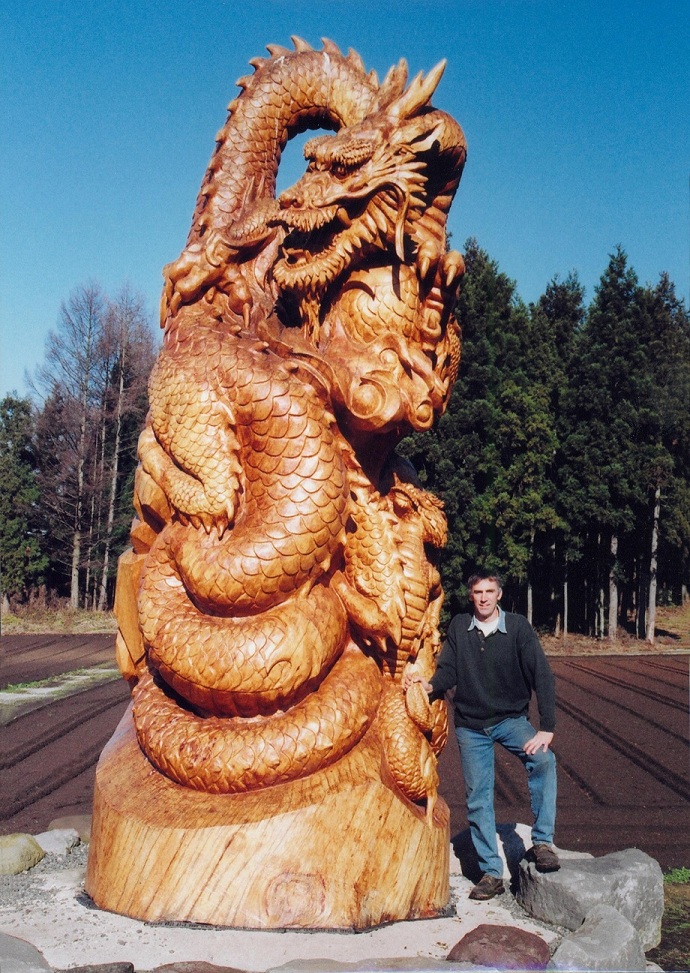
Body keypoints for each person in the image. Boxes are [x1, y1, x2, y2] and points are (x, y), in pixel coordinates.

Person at [403, 569, 560, 901]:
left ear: (499, 594)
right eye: (478, 592)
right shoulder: (461, 626)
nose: (484, 597)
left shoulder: (517, 628)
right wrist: (429, 686)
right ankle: (491, 872)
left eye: (490, 591)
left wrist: (546, 727)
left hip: (510, 720)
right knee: (478, 798)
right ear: (471, 596)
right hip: (472, 726)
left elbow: (542, 676)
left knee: (543, 760)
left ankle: (543, 842)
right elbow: (448, 669)